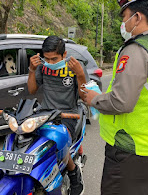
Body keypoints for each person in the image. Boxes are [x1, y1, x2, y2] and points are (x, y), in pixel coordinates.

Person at [83, 0, 148, 195]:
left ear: (137, 18)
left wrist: (93, 99)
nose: (123, 23)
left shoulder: (137, 50)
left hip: (130, 149)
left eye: (125, 16)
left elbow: (121, 102)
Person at [27, 36, 88, 195]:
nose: (51, 63)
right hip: (45, 113)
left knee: (57, 141)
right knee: (26, 138)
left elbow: (84, 96)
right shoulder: (42, 66)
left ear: (64, 54)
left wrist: (80, 75)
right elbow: (32, 90)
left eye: (54, 59)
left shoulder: (74, 67)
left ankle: (74, 173)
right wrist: (32, 70)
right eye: (47, 58)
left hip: (68, 116)